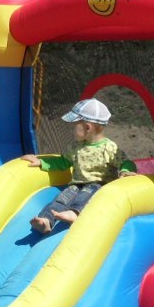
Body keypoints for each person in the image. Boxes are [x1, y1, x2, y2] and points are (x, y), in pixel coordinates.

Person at [23, 98, 134, 234]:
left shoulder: (109, 148)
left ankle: (74, 213)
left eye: (75, 125)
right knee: (60, 199)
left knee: (86, 194)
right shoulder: (75, 147)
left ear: (87, 127)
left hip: (100, 186)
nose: (72, 130)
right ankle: (46, 220)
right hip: (76, 185)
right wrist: (41, 162)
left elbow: (125, 162)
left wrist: (126, 171)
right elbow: (62, 162)